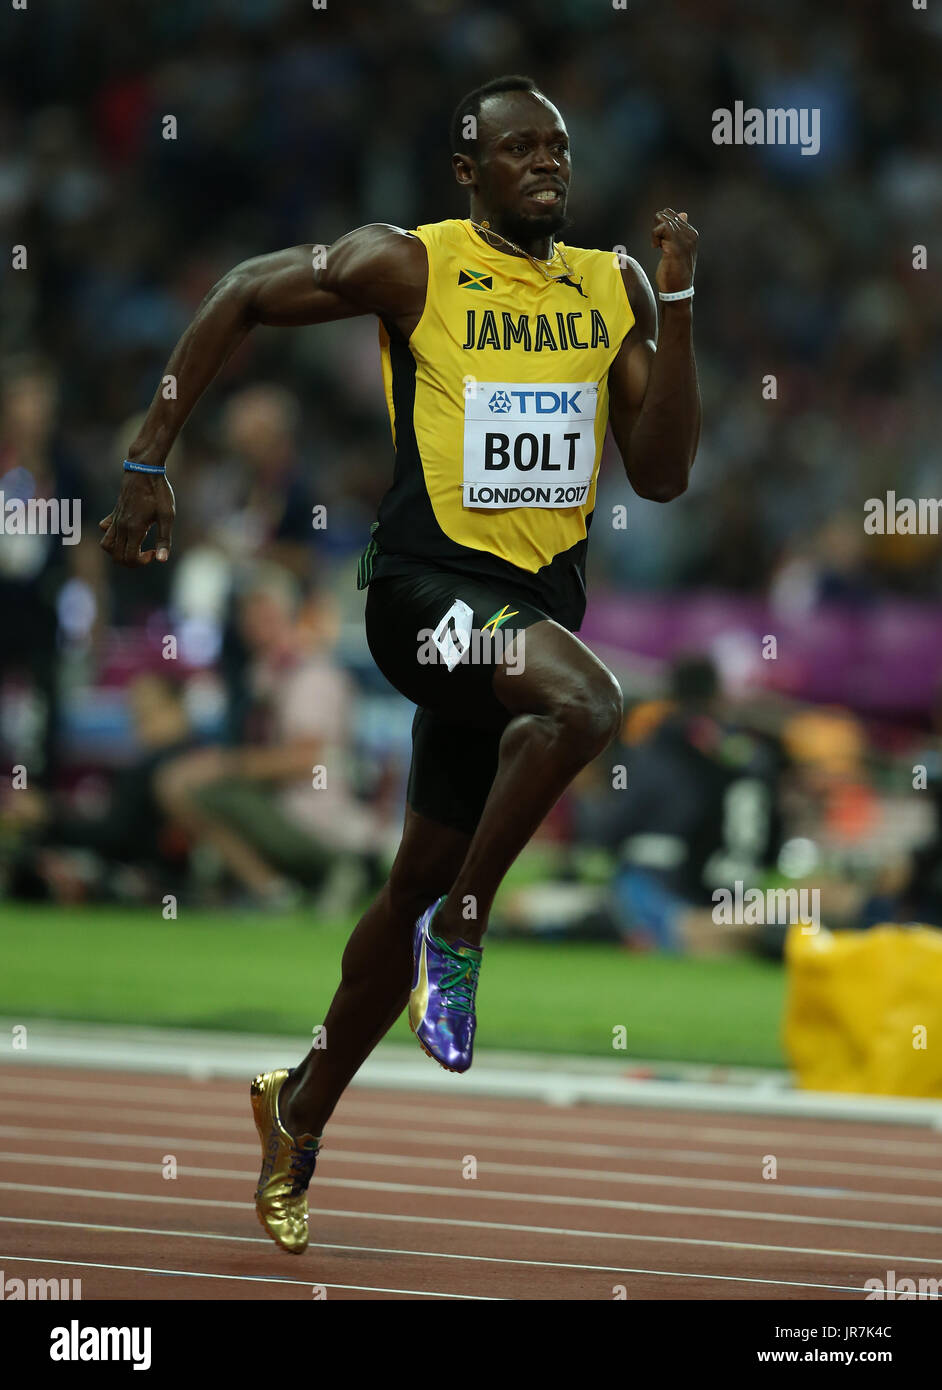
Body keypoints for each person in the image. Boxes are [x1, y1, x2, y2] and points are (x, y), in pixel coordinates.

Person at [100, 75, 700, 1254]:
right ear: (465, 172)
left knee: (412, 873)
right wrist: (147, 455)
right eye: (516, 149)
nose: (545, 165)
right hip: (422, 598)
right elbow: (237, 292)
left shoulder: (607, 286)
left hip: (519, 624)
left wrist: (674, 304)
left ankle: (299, 1110)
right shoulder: (410, 264)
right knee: (591, 702)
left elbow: (667, 471)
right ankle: (467, 935)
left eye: (558, 149)